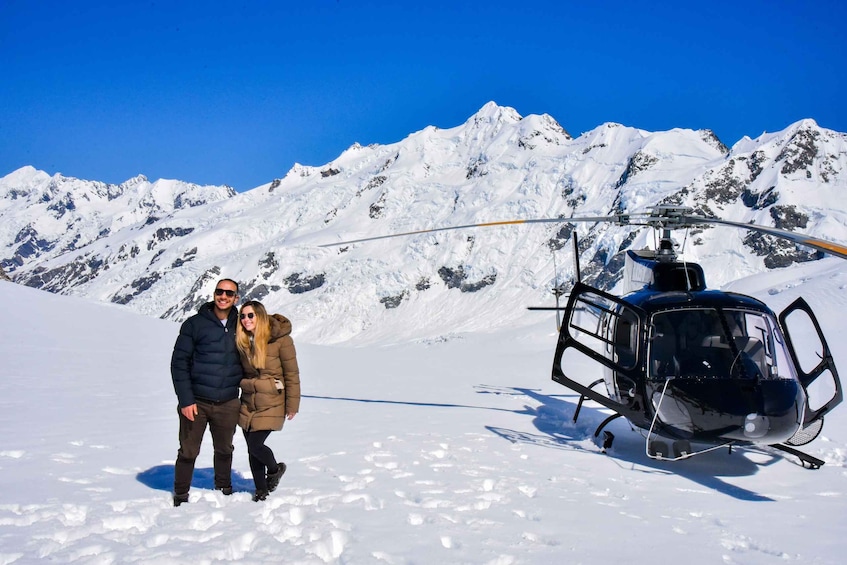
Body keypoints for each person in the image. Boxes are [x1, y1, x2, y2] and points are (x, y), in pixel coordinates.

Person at [170, 279, 244, 507]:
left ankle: (224, 488)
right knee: (189, 451)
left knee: (224, 449)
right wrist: (186, 400)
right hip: (197, 402)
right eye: (220, 291)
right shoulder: (194, 324)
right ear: (214, 294)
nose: (224, 296)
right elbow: (178, 363)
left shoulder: (242, 324)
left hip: (229, 401)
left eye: (229, 293)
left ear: (236, 298)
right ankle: (181, 496)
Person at [235, 300, 301, 502]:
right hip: (248, 401)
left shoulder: (281, 340)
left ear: (261, 316)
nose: (246, 320)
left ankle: (275, 469)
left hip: (272, 401)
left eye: (251, 315)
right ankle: (261, 490)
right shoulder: (243, 341)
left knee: (256, 445)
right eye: (243, 316)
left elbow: (292, 374)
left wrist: (292, 405)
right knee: (251, 449)